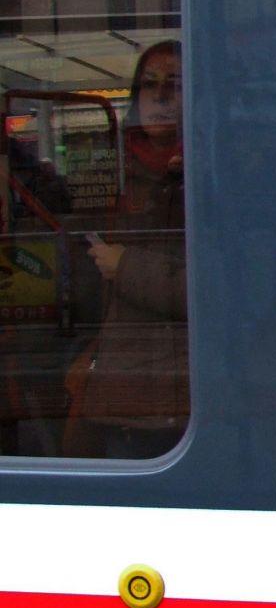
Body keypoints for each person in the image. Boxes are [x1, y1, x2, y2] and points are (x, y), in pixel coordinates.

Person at [71, 40, 188, 459]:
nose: (160, 96)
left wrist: (126, 266)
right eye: (149, 84)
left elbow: (225, 291)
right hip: (126, 394)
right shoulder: (117, 174)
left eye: (175, 84)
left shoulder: (217, 173)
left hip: (188, 394)